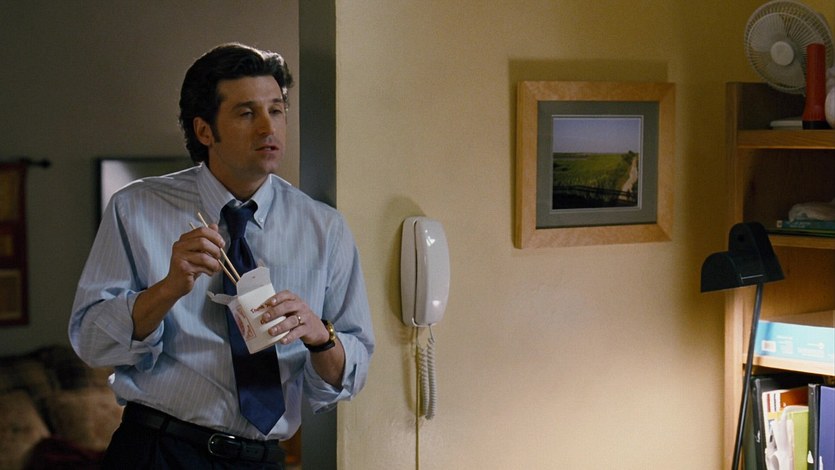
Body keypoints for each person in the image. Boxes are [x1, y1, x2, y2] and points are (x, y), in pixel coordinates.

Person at [69, 43, 374, 469]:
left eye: (277, 110)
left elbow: (351, 373)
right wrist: (168, 289)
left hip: (261, 459)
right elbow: (92, 342)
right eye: (247, 113)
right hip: (158, 450)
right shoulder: (135, 207)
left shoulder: (325, 228)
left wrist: (320, 336)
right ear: (204, 131)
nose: (268, 128)